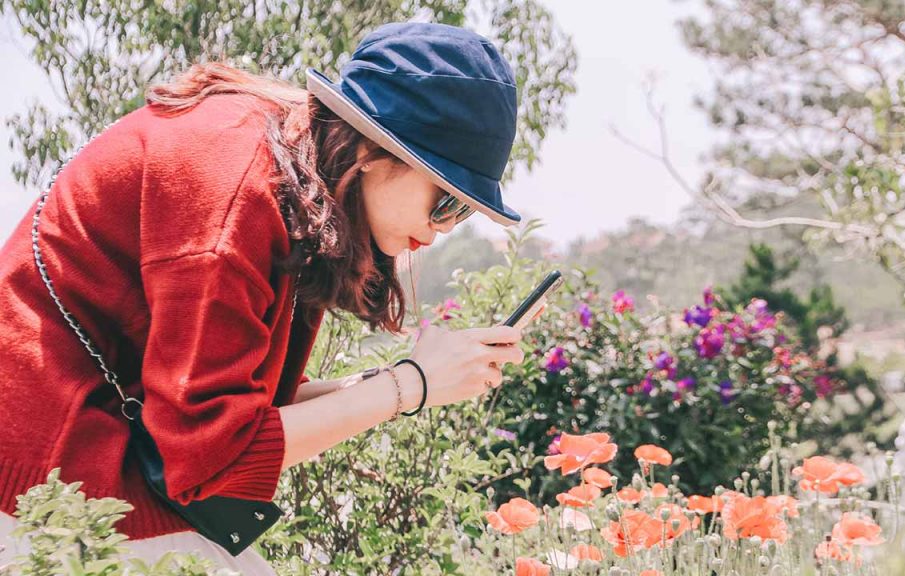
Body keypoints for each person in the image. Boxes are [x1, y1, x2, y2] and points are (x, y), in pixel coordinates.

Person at [0, 22, 526, 573]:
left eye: (463, 211)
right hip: (46, 462)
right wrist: (409, 386)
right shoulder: (235, 194)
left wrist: (387, 383)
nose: (445, 227)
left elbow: (243, 412)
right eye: (445, 200)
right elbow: (211, 459)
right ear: (374, 149)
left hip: (96, 454)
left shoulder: (300, 173)